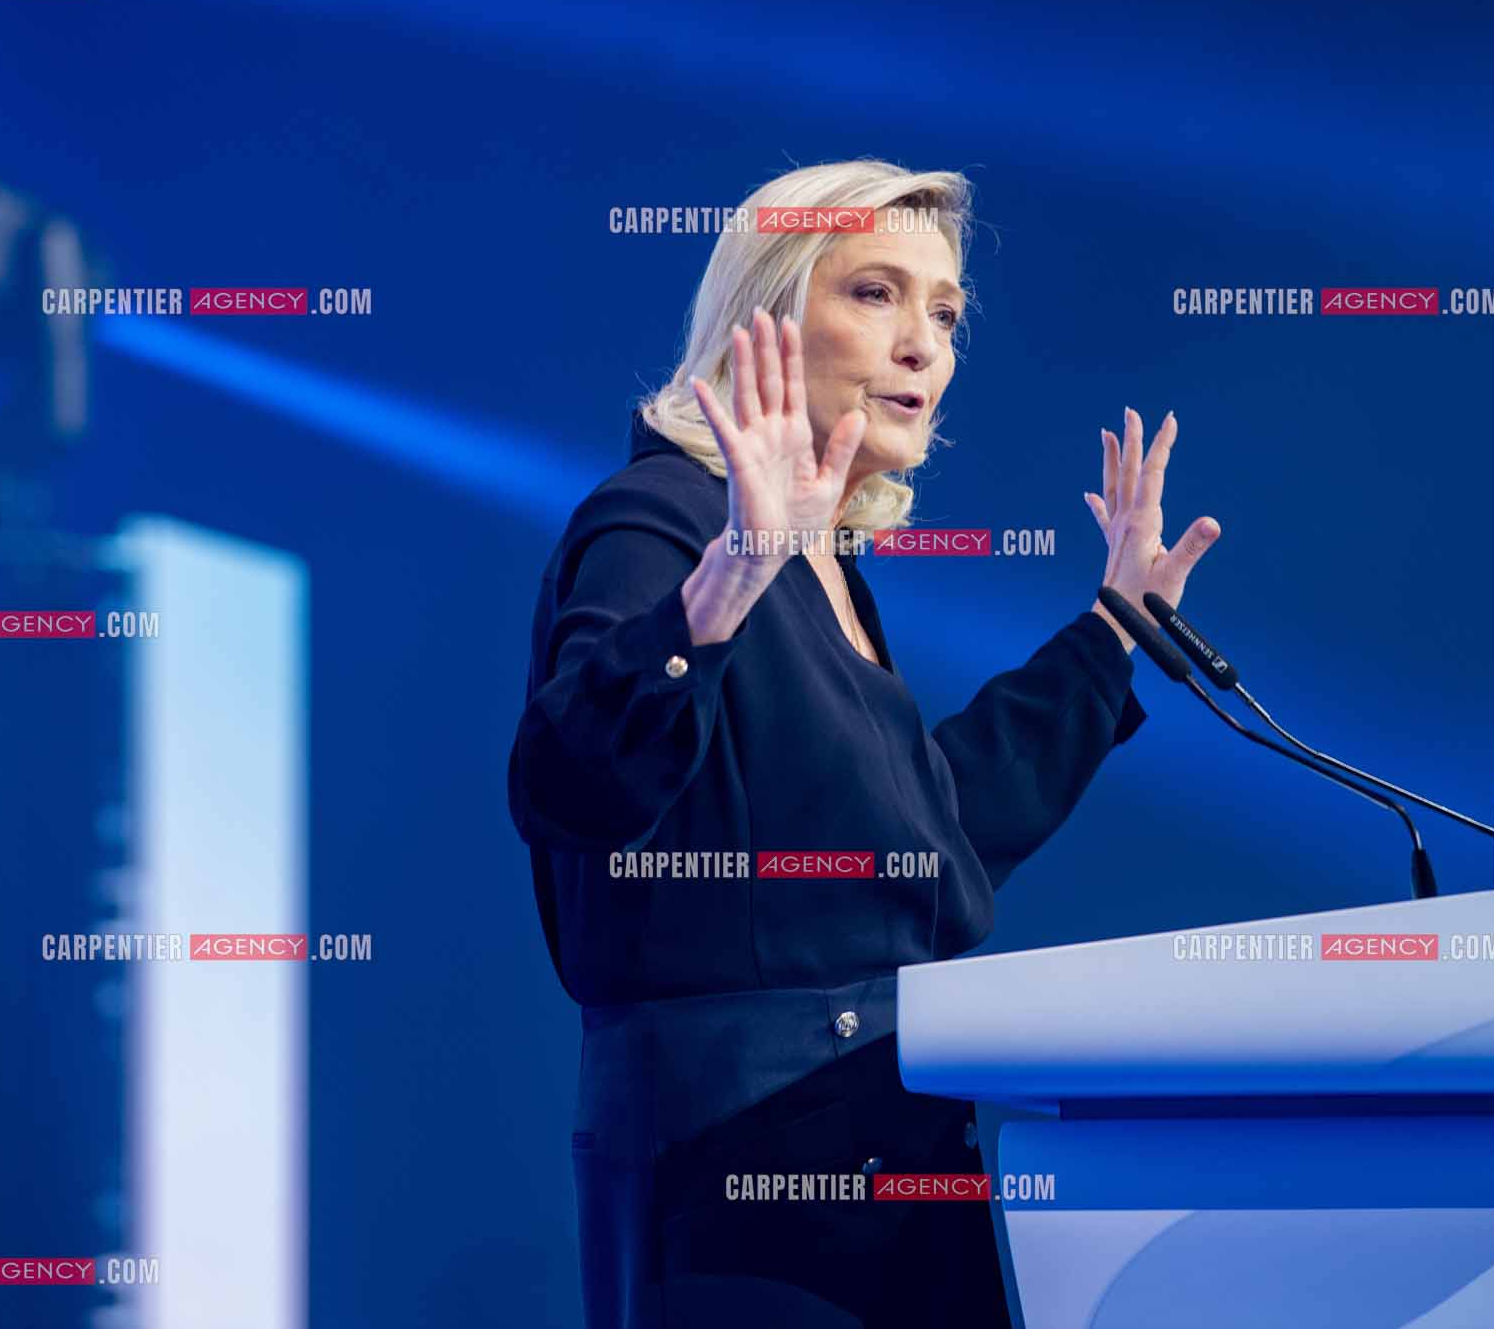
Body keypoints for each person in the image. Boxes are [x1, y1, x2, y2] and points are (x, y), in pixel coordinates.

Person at [508, 159, 1220, 1327]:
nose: (923, 346)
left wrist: (1115, 632)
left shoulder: (826, 563)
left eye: (944, 313)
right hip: (743, 1170)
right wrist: (728, 578)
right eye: (876, 293)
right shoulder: (663, 519)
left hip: (890, 1141)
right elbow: (568, 780)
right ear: (769, 317)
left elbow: (925, 840)